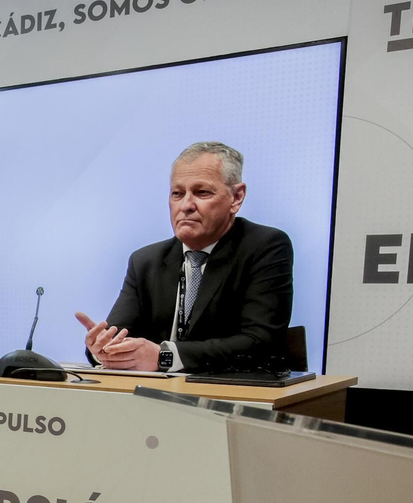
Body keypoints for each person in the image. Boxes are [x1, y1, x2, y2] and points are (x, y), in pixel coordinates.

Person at [76, 141, 293, 373]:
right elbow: (118, 335)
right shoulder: (145, 261)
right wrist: (103, 349)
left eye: (202, 192)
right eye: (177, 194)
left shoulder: (265, 247)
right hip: (152, 400)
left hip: (230, 396)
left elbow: (260, 342)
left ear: (236, 197)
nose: (186, 205)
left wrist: (165, 357)